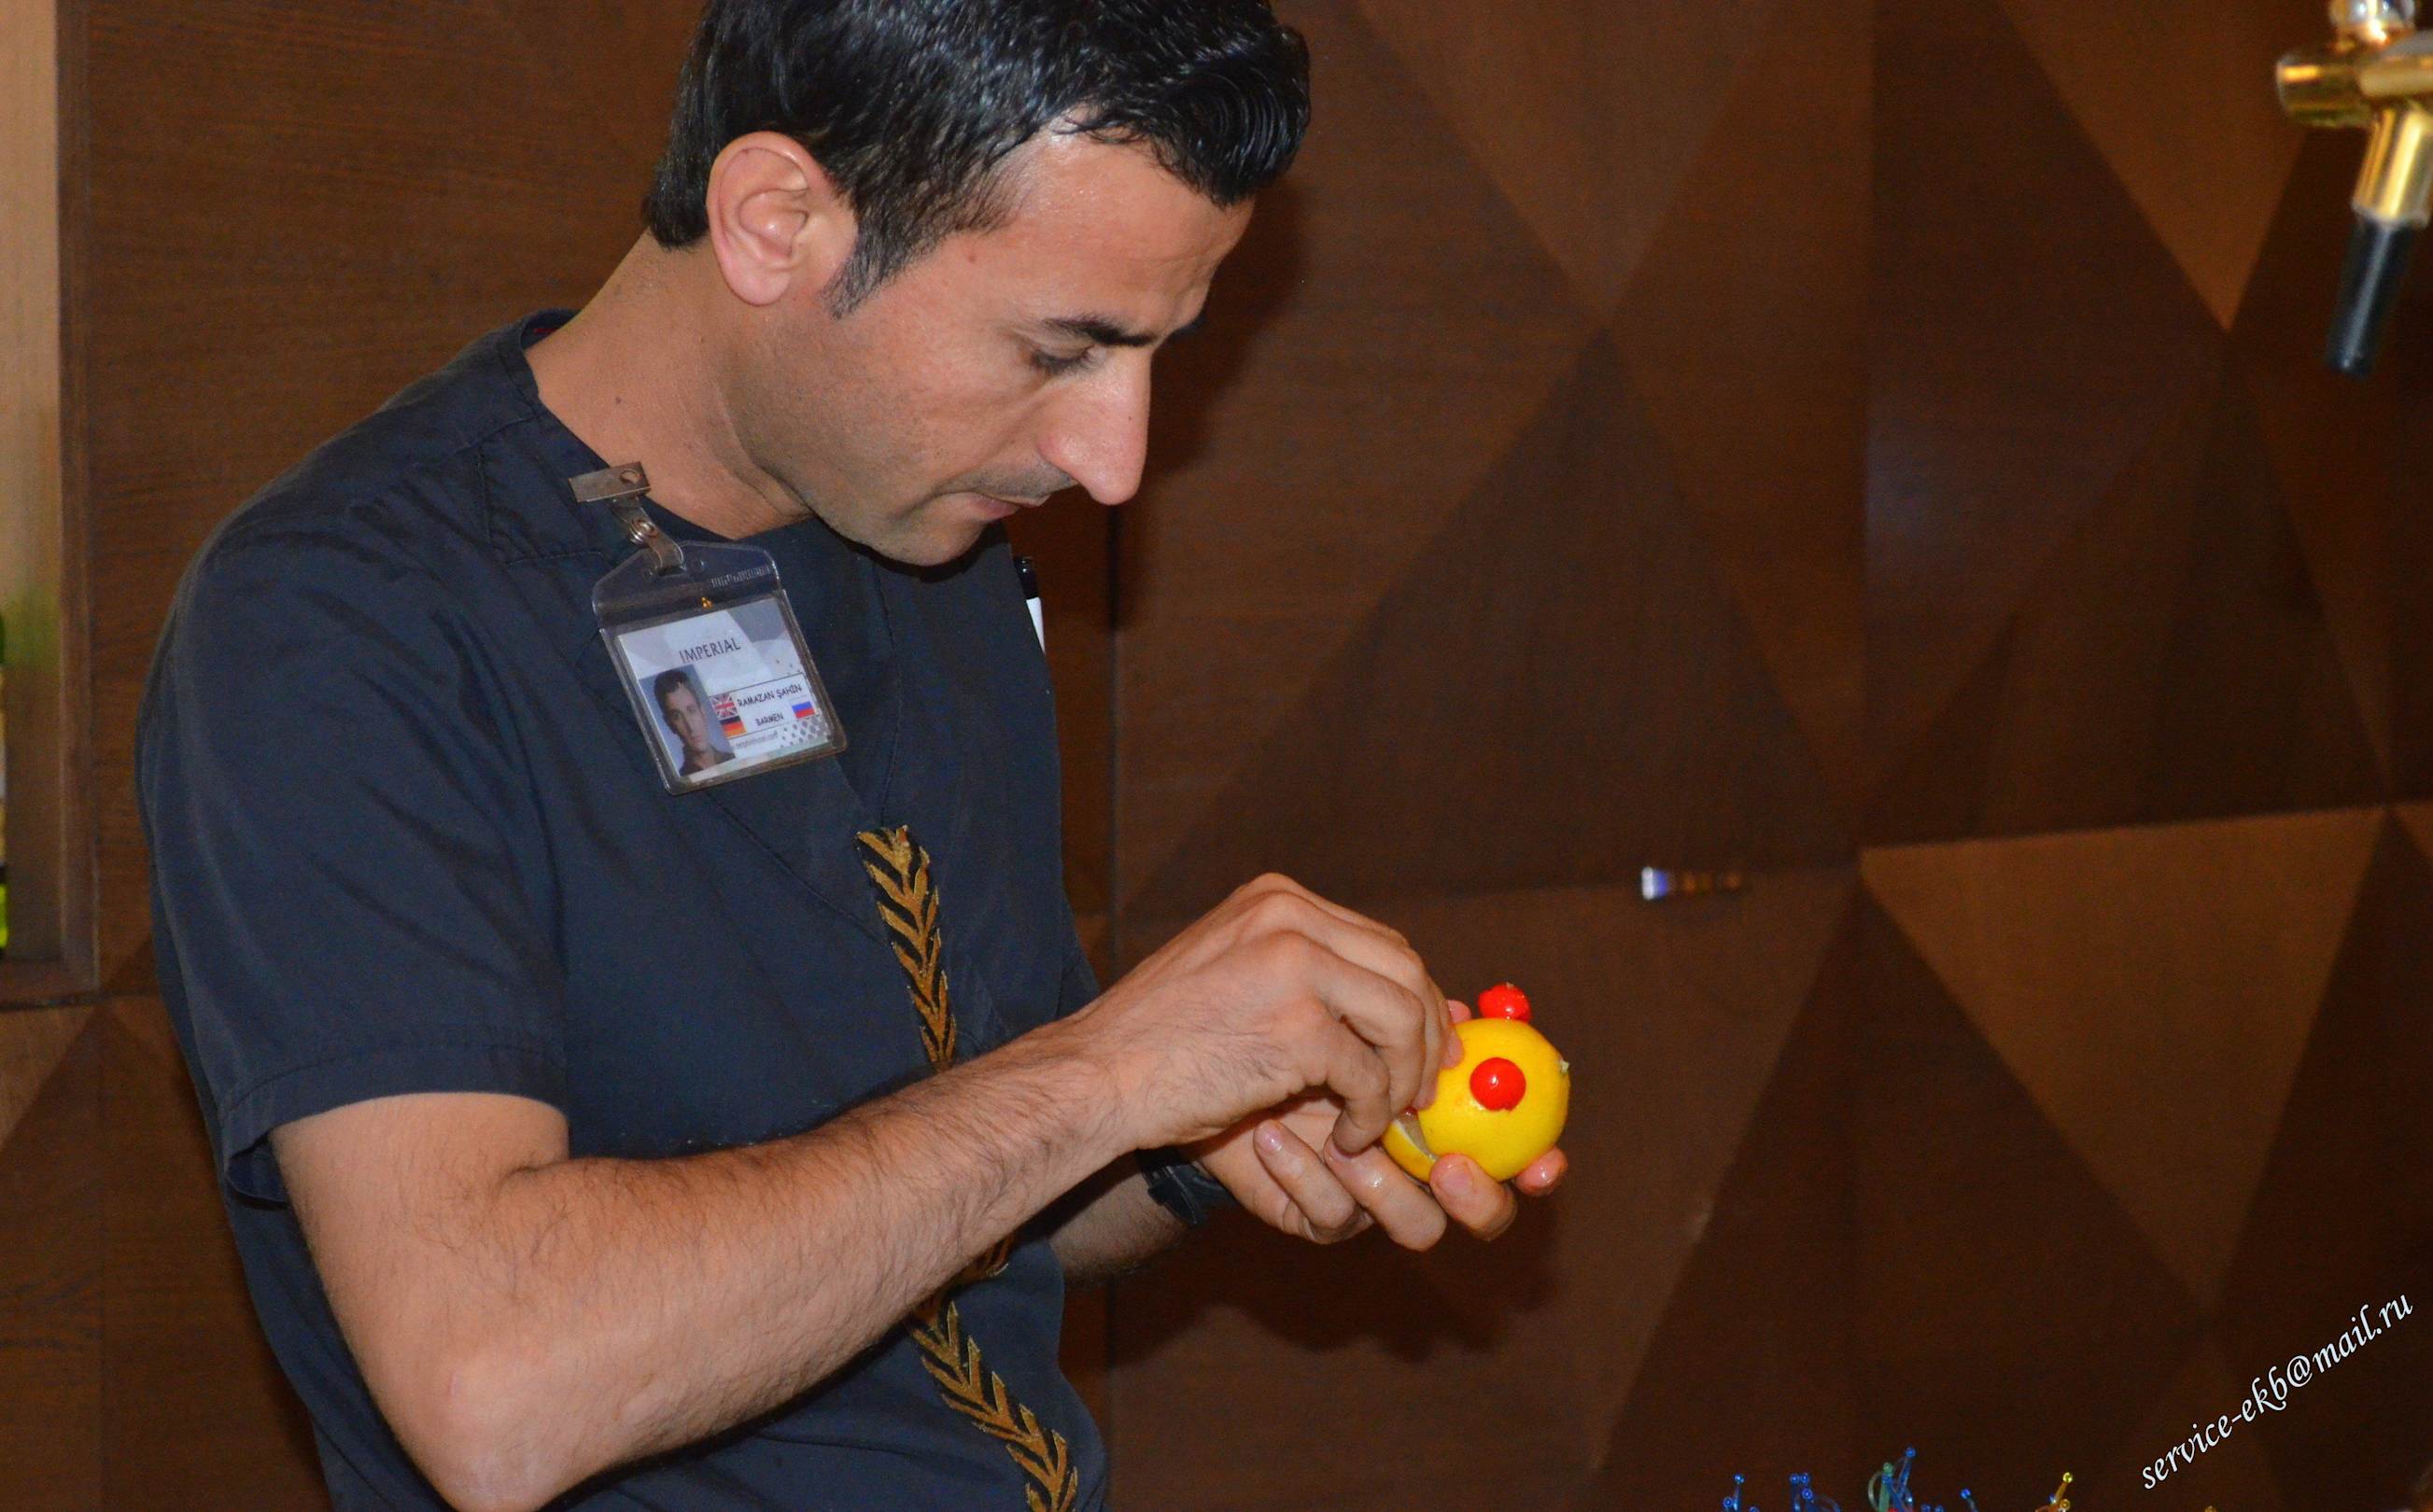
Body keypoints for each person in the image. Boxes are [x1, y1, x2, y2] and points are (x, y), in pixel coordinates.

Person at [137, 3, 1567, 1509]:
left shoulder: (936, 548)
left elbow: (962, 1191)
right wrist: (1110, 1074)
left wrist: (1196, 1135)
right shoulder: (340, 619)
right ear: (776, 221)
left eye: (1156, 354)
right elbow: (495, 1390)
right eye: (1058, 349)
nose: (1113, 459)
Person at [653, 668, 734, 776]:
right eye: (677, 716)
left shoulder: (733, 759)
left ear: (702, 712)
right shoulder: (682, 778)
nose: (690, 727)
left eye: (692, 711)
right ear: (669, 724)